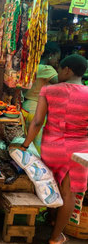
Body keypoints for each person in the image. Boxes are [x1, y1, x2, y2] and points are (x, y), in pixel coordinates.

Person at [11, 54, 88, 244]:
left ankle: (50, 219)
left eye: (60, 69)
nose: (59, 72)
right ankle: (55, 236)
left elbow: (37, 122)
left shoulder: (49, 90)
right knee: (68, 192)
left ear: (67, 70)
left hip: (51, 147)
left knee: (50, 183)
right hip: (78, 151)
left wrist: (25, 145)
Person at [22, 42, 60, 153]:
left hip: (27, 107)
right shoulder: (47, 69)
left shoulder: (34, 67)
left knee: (27, 139)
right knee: (35, 145)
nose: (57, 62)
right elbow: (62, 83)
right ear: (51, 55)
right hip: (36, 109)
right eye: (57, 58)